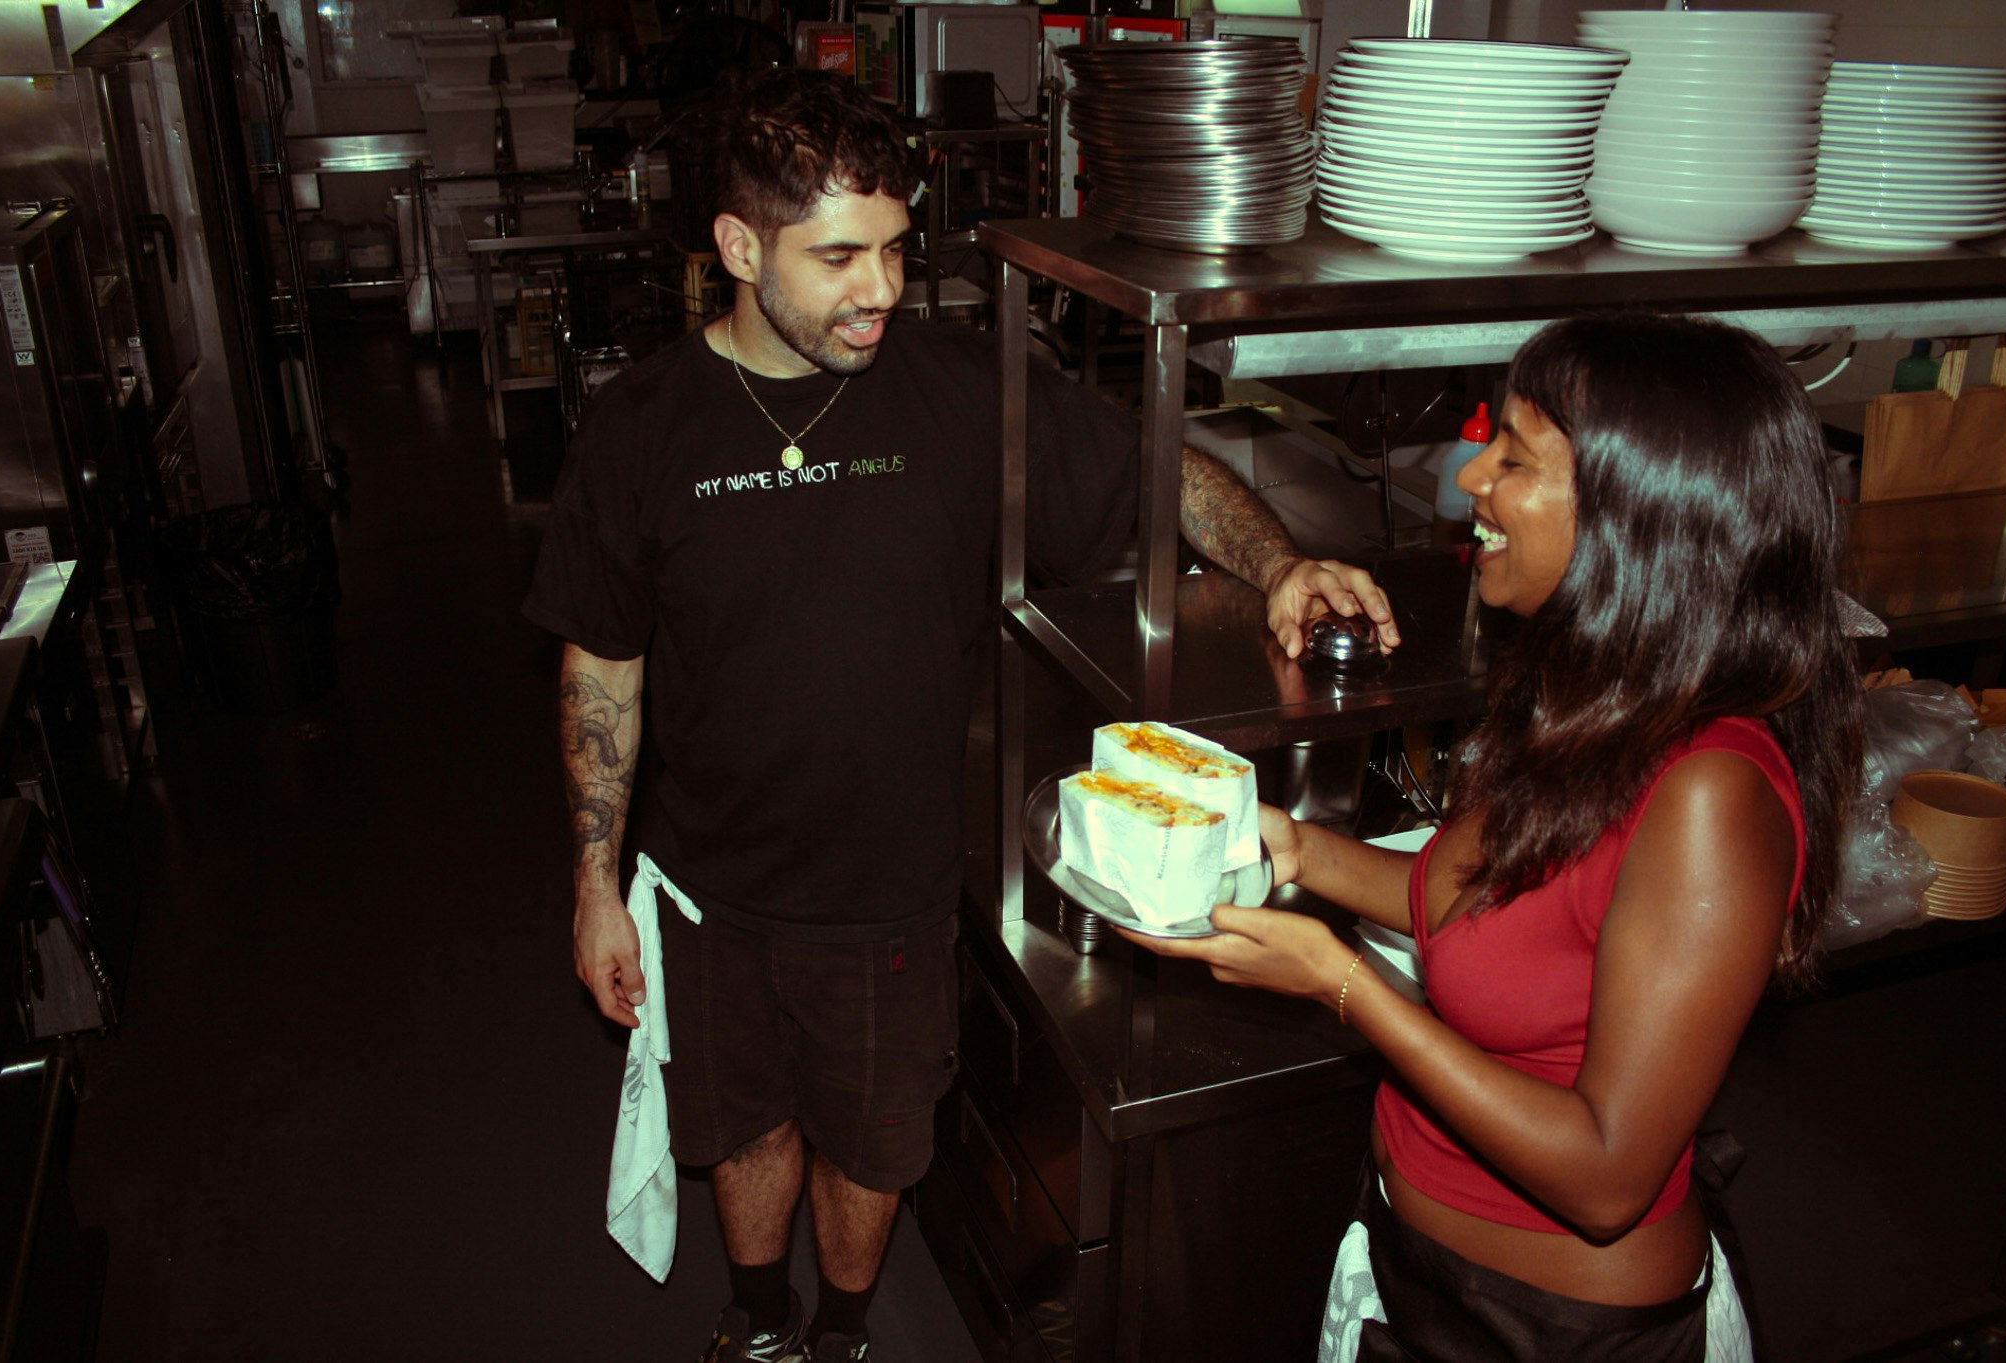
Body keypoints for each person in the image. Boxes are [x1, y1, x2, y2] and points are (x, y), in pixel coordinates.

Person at [522, 68, 1398, 1363]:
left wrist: (1279, 566)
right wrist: (597, 879)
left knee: (877, 1140)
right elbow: (604, 665)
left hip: (889, 894)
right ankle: (759, 1313)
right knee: (743, 1127)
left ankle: (846, 1330)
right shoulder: (643, 423)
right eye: (839, 257)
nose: (879, 287)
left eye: (893, 248)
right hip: (709, 888)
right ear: (739, 247)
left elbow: (1159, 476)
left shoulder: (957, 396)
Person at [1124, 312, 1864, 1361]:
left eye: (1513, 456)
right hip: (1411, 1267)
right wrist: (1291, 844)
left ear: (1634, 517)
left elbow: (1608, 1177)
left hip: (1557, 1332)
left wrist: (1341, 983)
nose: (1472, 480)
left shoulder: (1710, 794)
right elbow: (1469, 900)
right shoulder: (1580, 697)